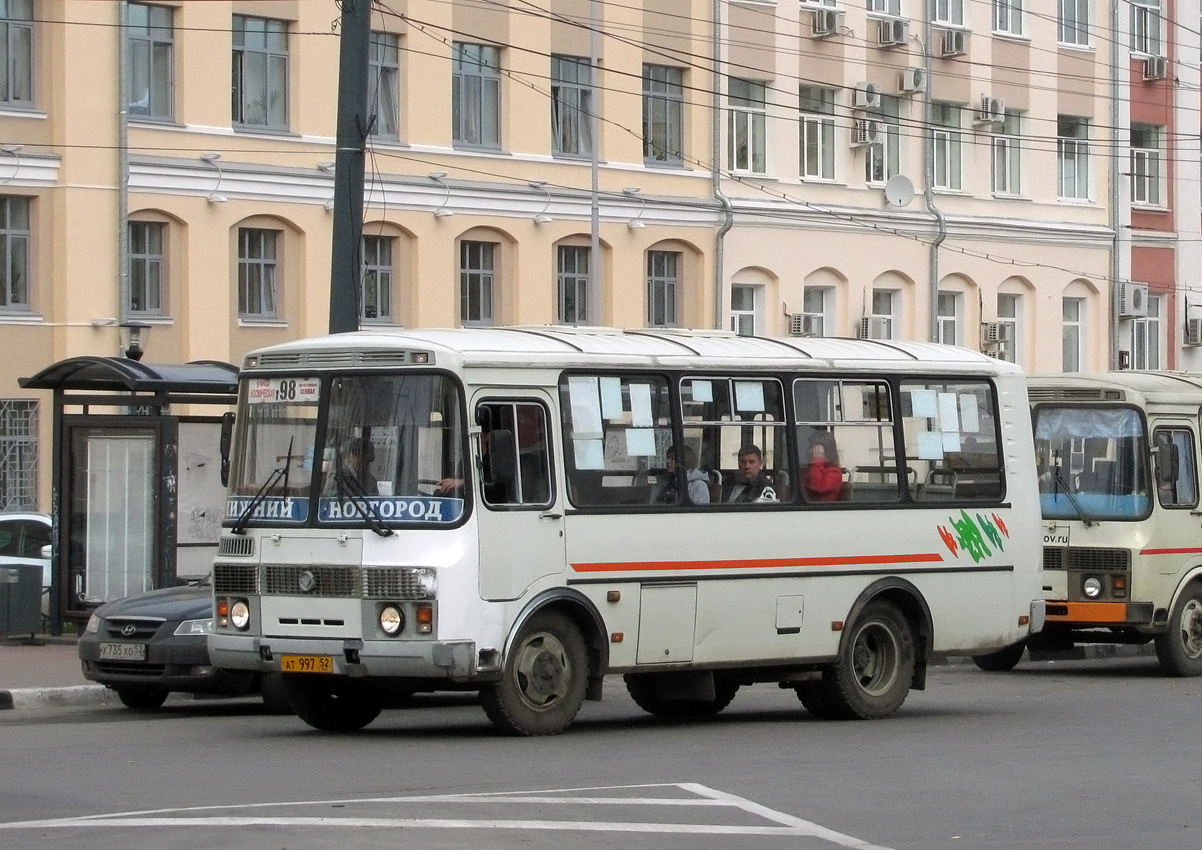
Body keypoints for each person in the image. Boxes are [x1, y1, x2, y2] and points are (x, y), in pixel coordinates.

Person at [800, 432, 843, 502]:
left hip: (822, 509)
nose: (809, 452)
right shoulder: (809, 470)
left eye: (813, 449)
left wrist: (817, 460)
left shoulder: (834, 473)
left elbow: (816, 487)